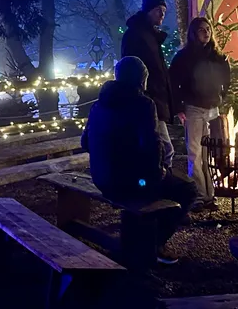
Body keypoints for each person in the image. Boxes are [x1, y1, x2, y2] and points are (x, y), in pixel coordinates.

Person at [81, 56, 197, 264]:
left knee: (162, 184)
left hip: (102, 179)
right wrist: (156, 175)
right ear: (141, 78)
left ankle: (141, 242)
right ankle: (156, 244)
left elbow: (85, 142)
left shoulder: (100, 103)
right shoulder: (142, 103)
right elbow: (151, 146)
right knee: (187, 188)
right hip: (131, 183)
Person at [169, 17, 230, 211]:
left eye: (208, 29)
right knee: (195, 153)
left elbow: (226, 78)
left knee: (208, 154)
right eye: (202, 30)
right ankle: (198, 194)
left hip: (212, 108)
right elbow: (173, 83)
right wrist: (179, 107)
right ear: (194, 33)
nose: (206, 33)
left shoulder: (217, 56)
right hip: (193, 108)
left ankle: (209, 194)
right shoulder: (184, 57)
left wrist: (221, 96)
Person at [120, 0, 175, 170]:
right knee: (164, 149)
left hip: (155, 99)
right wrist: (141, 96)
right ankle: (159, 188)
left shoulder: (152, 37)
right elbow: (130, 68)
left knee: (158, 149)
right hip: (147, 101)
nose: (162, 14)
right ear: (148, 11)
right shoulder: (136, 36)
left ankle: (155, 187)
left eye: (164, 11)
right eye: (158, 10)